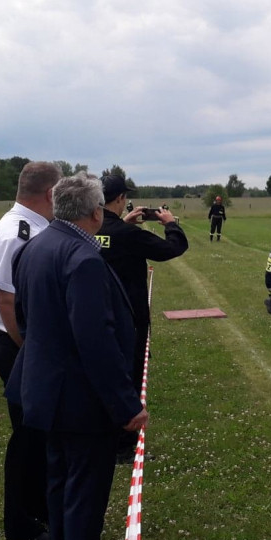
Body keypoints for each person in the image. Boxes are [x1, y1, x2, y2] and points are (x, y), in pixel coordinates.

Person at [9, 172, 148, 540]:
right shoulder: (82, 256)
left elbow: (30, 320)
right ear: (94, 211)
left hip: (46, 391)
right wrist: (126, 406)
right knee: (84, 495)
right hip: (80, 401)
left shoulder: (37, 246)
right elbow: (96, 341)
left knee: (59, 486)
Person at [0, 160, 62, 540]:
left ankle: (39, 512)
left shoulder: (25, 226)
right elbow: (6, 299)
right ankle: (22, 525)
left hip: (22, 344)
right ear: (50, 193)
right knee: (27, 441)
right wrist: (29, 347)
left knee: (38, 437)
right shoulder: (19, 232)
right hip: (18, 345)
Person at [96, 172, 187, 462]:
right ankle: (124, 446)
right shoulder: (127, 235)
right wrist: (171, 224)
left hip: (97, 316)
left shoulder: (89, 231)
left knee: (104, 376)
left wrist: (123, 224)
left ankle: (105, 437)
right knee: (130, 379)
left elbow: (106, 241)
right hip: (130, 318)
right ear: (121, 198)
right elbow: (172, 248)